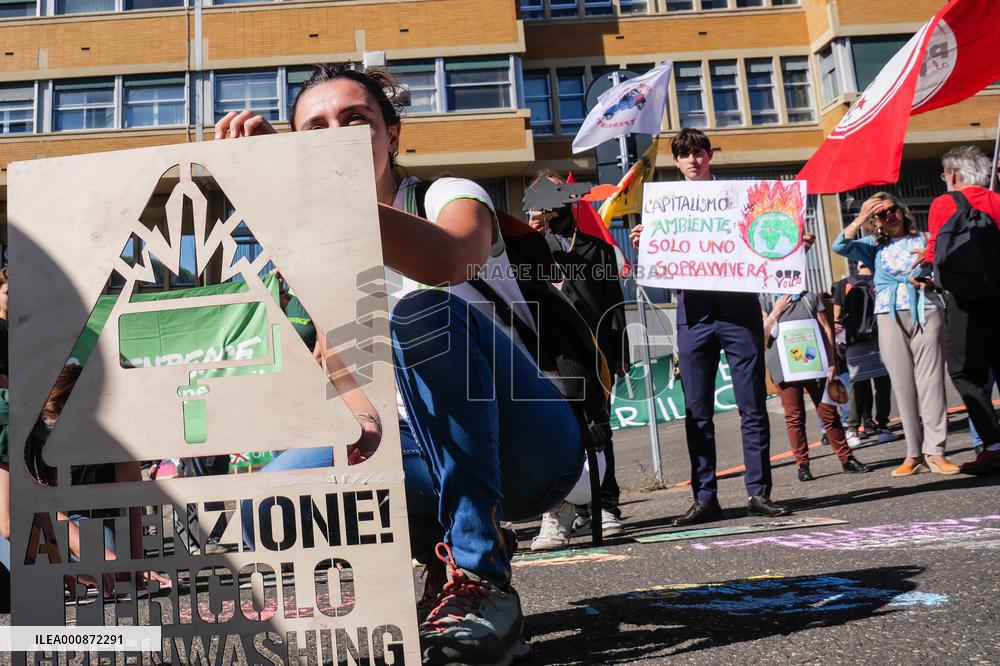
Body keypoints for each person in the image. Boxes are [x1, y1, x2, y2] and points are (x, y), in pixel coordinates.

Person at [216, 64, 587, 664]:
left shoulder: (448, 196)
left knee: (420, 315)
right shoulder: (312, 251)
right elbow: (342, 378)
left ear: (392, 135)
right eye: (315, 127)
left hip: (529, 446)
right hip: (420, 454)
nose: (335, 133)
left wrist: (313, 185)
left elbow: (444, 262)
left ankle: (481, 573)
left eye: (355, 119)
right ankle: (439, 566)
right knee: (267, 502)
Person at [630, 128, 795, 525]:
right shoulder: (665, 205)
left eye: (698, 153)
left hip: (739, 313)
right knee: (696, 411)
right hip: (694, 316)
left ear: (709, 156)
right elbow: (662, 265)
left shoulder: (739, 199)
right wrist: (645, 242)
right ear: (677, 162)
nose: (693, 160)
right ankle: (705, 498)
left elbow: (767, 241)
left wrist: (792, 241)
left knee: (752, 405)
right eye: (684, 155)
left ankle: (759, 493)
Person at [526, 173, 630, 550]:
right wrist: (528, 240)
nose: (546, 208)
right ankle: (557, 513)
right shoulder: (526, 252)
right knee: (554, 435)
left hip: (595, 354)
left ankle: (605, 506)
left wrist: (620, 353)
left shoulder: (598, 251)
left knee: (599, 430)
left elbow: (615, 308)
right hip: (547, 356)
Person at [832, 193, 957, 477]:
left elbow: (942, 267)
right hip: (888, 313)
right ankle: (914, 453)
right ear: (875, 221)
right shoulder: (872, 246)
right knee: (902, 385)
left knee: (931, 382)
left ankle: (935, 451)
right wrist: (862, 216)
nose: (890, 215)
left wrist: (930, 277)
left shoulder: (925, 238)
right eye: (882, 213)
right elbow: (839, 244)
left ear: (902, 211)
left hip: (925, 308)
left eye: (893, 209)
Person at [920, 146, 1000, 475]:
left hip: (967, 300)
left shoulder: (945, 203)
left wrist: (923, 268)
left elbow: (935, 251)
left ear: (953, 174)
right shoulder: (997, 199)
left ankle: (993, 445)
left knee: (966, 372)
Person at [762, 292, 871, 481]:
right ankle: (802, 465)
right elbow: (763, 335)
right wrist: (777, 310)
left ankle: (847, 459)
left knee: (829, 412)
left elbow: (827, 329)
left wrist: (831, 361)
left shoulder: (808, 297)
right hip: (784, 366)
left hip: (814, 363)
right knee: (794, 417)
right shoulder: (767, 301)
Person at [832, 262, 893, 444]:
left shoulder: (844, 284)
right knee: (883, 385)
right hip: (879, 338)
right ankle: (883, 426)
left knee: (857, 385)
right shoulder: (879, 280)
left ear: (857, 266)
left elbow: (837, 316)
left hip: (854, 340)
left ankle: (853, 430)